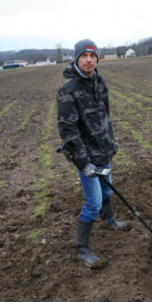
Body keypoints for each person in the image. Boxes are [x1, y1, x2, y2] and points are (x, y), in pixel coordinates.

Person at [56, 39, 127, 267]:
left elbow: (104, 116)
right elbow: (68, 129)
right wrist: (83, 161)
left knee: (107, 188)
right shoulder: (68, 89)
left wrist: (109, 143)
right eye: (84, 56)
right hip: (86, 157)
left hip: (103, 150)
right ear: (76, 59)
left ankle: (109, 220)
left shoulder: (98, 81)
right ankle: (82, 248)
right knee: (93, 202)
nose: (89, 60)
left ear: (97, 59)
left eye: (93, 56)